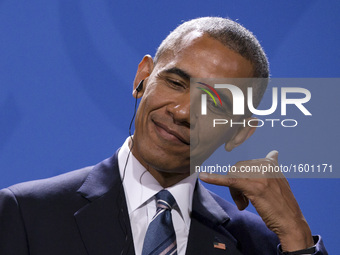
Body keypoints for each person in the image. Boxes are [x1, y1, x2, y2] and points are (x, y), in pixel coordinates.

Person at [0, 17, 327, 255]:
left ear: (240, 132)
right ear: (143, 77)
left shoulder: (262, 245)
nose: (183, 112)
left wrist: (296, 234)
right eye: (175, 83)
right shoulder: (25, 213)